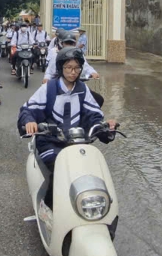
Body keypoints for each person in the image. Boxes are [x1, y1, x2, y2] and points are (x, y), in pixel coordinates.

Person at [17, 47, 117, 209]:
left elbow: (94, 115)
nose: (73, 72)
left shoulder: (82, 90)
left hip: (76, 142)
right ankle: (48, 208)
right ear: (60, 68)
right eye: (69, 68)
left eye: (77, 68)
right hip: (50, 141)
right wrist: (29, 121)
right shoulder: (49, 88)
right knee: (59, 169)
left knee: (93, 169)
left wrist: (106, 126)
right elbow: (28, 109)